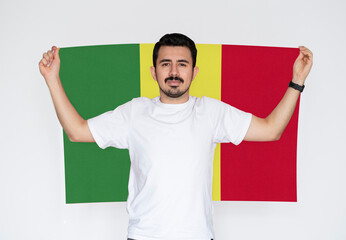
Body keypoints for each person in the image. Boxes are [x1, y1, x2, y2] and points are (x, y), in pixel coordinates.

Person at [39, 33, 313, 240]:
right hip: (143, 236)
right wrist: (52, 78)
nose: (173, 72)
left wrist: (297, 81)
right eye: (165, 64)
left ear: (193, 72)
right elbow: (77, 132)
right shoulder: (135, 112)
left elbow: (271, 129)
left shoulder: (211, 111)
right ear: (153, 71)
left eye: (182, 64)